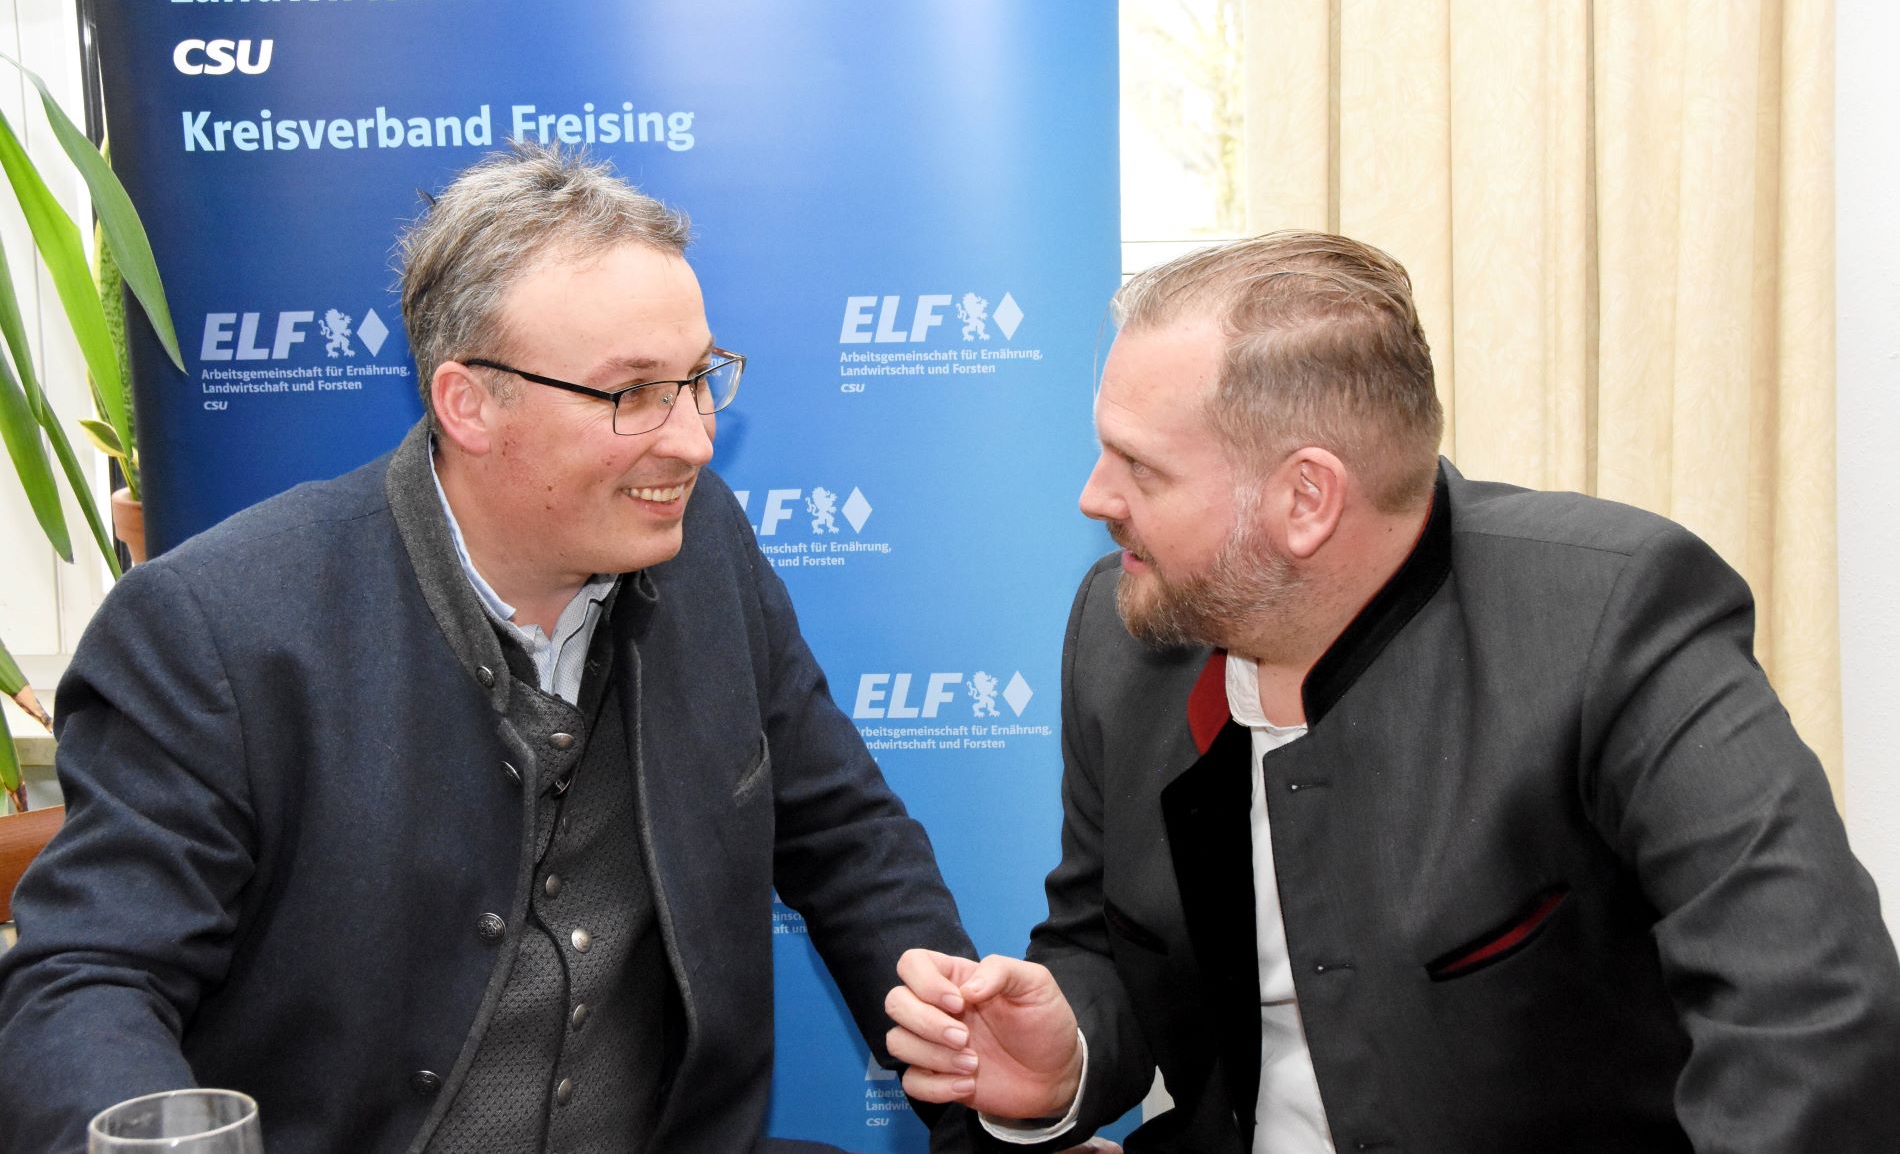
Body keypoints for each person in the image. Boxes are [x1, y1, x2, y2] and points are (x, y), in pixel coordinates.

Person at [0, 142, 976, 1154]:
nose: (692, 439)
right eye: (633, 392)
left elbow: (849, 843)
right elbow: (86, 982)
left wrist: (988, 1094)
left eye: (697, 379)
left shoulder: (708, 549)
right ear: (467, 403)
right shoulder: (216, 630)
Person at [883, 232, 1900, 1152]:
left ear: (1305, 498)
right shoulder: (1122, 639)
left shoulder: (1611, 622)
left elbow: (1810, 1013)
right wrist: (1066, 1055)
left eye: (1141, 469)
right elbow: (1106, 943)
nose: (1093, 497)